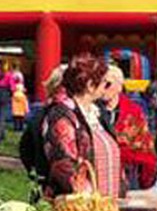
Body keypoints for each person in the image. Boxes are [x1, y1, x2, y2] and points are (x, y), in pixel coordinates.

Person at [41, 54, 121, 198]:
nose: (107, 89)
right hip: (79, 209)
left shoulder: (96, 113)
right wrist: (88, 196)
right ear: (90, 85)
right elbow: (63, 164)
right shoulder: (62, 115)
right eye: (105, 84)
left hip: (107, 206)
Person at [99, 64, 157, 190]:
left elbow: (144, 145)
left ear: (119, 87)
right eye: (99, 83)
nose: (103, 88)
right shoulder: (91, 109)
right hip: (99, 171)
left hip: (128, 172)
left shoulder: (133, 111)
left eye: (108, 84)